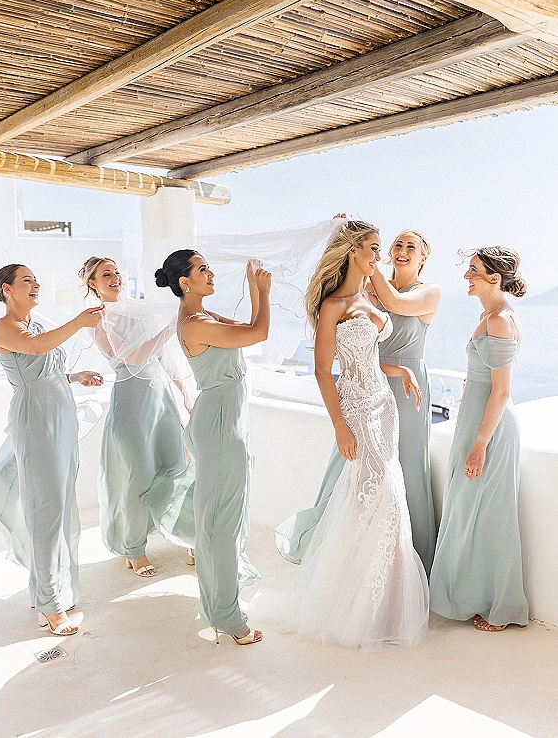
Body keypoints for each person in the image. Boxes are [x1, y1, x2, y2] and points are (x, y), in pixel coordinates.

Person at [250, 221, 429, 650]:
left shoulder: (369, 297)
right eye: (374, 248)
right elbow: (322, 370)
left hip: (384, 406)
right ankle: (354, 606)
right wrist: (340, 425)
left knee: (387, 497)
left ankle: (384, 606)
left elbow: (368, 356)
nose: (380, 256)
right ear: (353, 252)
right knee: (378, 495)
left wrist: (400, 370)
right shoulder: (333, 305)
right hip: (356, 411)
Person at [275, 228, 440, 575]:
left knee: (405, 468)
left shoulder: (426, 291)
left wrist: (364, 254)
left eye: (410, 246)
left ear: (424, 257)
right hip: (363, 392)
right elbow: (340, 328)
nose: (400, 250)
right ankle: (343, 557)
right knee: (350, 470)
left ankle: (410, 558)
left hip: (401, 390)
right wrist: (343, 240)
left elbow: (394, 304)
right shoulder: (367, 292)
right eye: (395, 244)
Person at [155, 250, 271, 645]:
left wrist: (255, 289)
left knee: (222, 520)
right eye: (202, 269)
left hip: (221, 422)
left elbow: (247, 328)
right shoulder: (196, 324)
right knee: (221, 524)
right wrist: (262, 291)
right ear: (184, 282)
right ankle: (227, 616)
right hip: (220, 427)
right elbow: (259, 333)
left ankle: (223, 604)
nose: (211, 273)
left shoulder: (202, 317)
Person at [0, 265, 103, 636]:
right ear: (7, 289)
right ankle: (51, 607)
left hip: (60, 420)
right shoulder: (4, 327)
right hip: (36, 421)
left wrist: (75, 376)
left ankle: (49, 593)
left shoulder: (35, 326)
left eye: (36, 279)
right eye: (27, 280)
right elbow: (35, 349)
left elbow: (42, 365)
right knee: (46, 510)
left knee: (62, 509)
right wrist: (79, 321)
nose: (36, 284)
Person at [429, 247, 528, 631]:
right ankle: (476, 597)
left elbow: (501, 392)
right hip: (476, 425)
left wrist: (480, 445)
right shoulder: (489, 316)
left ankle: (502, 609)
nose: (466, 277)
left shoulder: (500, 320)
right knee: (469, 513)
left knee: (491, 516)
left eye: (473, 270)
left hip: (491, 431)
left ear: (494, 278)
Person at [78, 257, 196, 577]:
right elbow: (134, 357)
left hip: (162, 402)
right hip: (131, 406)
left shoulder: (140, 310)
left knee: (178, 469)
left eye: (116, 272)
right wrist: (170, 328)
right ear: (93, 283)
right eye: (106, 274)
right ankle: (134, 549)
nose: (115, 277)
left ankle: (187, 535)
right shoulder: (98, 319)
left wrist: (185, 395)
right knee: (138, 479)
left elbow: (163, 358)